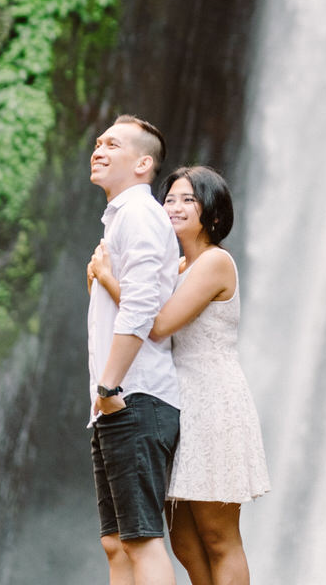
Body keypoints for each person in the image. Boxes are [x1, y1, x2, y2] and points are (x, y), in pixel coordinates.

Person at [90, 165, 270, 585]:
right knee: (186, 541)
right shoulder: (177, 268)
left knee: (217, 535)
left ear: (213, 212)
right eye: (169, 198)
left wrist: (107, 277)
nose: (174, 206)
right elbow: (132, 312)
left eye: (188, 198)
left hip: (213, 400)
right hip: (176, 399)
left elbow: (155, 323)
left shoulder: (214, 262)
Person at [87, 114, 181, 585]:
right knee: (117, 542)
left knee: (142, 540)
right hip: (118, 402)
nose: (99, 149)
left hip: (134, 397)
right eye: (98, 142)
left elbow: (144, 306)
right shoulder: (121, 219)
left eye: (113, 144)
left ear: (143, 163)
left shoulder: (141, 215)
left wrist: (109, 387)